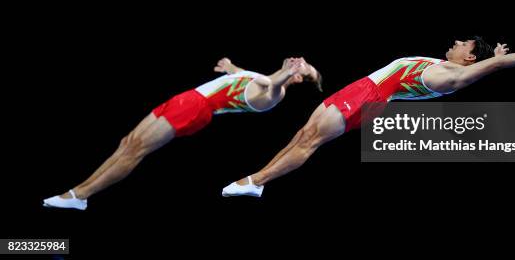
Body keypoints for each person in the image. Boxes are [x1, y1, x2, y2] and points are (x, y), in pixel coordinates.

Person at [222, 37, 515, 197]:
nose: (457, 41)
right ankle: (257, 180)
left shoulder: (448, 74)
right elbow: (488, 63)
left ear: (467, 59)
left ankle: (258, 181)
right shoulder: (444, 65)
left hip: (367, 96)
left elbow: (490, 66)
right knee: (303, 133)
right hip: (363, 92)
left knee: (310, 140)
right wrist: (490, 55)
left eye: (464, 43)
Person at [43, 57, 322, 210]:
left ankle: (81, 194)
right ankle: (77, 193)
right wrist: (230, 68)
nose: (299, 60)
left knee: (137, 148)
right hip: (187, 98)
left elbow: (271, 84)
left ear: (297, 79)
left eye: (303, 67)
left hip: (196, 108)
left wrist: (285, 75)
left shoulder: (275, 93)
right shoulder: (260, 76)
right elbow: (248, 75)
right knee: (127, 142)